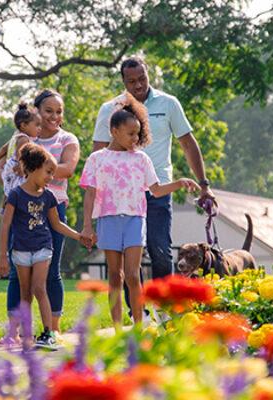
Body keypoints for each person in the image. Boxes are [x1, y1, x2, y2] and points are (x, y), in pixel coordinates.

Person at [91, 56, 215, 322]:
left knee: (160, 250)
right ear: (123, 81)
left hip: (156, 189)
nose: (138, 85)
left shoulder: (168, 104)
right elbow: (97, 155)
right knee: (125, 263)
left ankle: (166, 310)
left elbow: (188, 144)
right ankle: (139, 313)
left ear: (149, 75)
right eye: (131, 81)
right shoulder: (109, 109)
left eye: (142, 79)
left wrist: (204, 184)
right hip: (121, 198)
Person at [80, 92, 200, 326]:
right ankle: (117, 329)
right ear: (114, 132)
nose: (136, 138)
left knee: (134, 275)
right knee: (115, 276)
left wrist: (180, 182)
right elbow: (90, 193)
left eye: (138, 133)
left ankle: (138, 325)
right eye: (131, 134)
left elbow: (155, 190)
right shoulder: (96, 159)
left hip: (135, 220)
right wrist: (86, 226)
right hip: (108, 220)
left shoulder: (141, 159)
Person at [0, 89, 80, 341]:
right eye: (48, 111)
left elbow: (67, 169)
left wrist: (33, 169)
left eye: (58, 112)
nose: (54, 116)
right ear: (36, 113)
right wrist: (7, 174)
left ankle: (53, 328)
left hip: (53, 207)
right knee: (16, 272)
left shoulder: (67, 139)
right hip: (21, 209)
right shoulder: (27, 136)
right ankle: (13, 333)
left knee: (51, 271)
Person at [0, 142, 90, 350]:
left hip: (42, 248)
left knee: (40, 287)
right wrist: (2, 256)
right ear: (33, 168)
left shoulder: (49, 196)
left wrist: (79, 236)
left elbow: (57, 224)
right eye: (48, 172)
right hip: (20, 250)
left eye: (53, 173)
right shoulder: (15, 195)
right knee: (25, 293)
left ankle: (48, 333)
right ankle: (27, 335)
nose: (51, 177)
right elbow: (5, 226)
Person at [0, 102, 41, 217]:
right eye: (36, 125)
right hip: (17, 166)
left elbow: (3, 148)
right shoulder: (24, 139)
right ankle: (14, 208)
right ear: (24, 125)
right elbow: (20, 153)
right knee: (19, 188)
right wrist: (21, 165)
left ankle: (3, 208)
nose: (39, 129)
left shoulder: (15, 136)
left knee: (10, 188)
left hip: (8, 167)